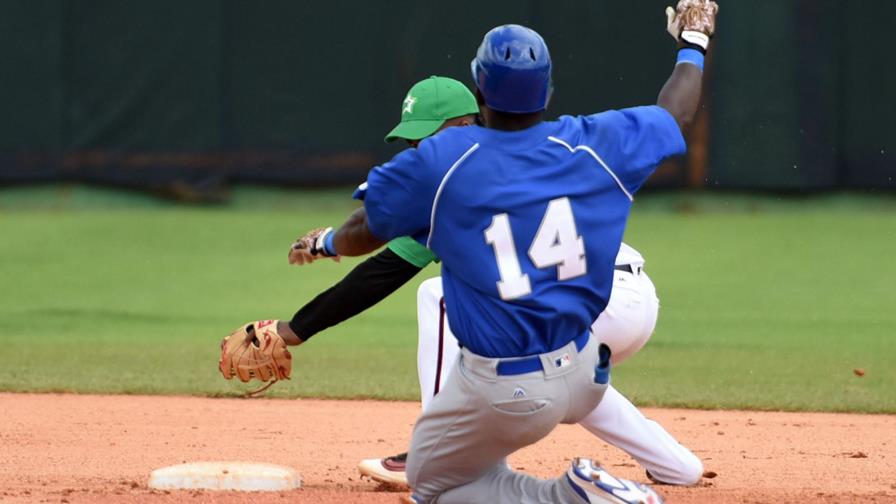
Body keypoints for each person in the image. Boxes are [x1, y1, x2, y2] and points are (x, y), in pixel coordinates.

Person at [244, 3, 716, 501]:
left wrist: (329, 245)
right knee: (555, 374)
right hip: (585, 353)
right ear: (548, 90)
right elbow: (676, 112)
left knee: (434, 462)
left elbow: (369, 238)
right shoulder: (590, 142)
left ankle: (565, 491)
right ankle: (672, 465)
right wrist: (696, 41)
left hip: (531, 372)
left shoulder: (445, 168)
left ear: (478, 93)